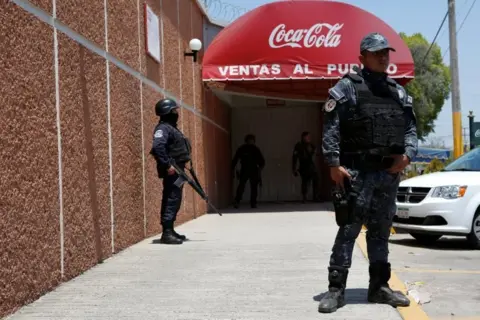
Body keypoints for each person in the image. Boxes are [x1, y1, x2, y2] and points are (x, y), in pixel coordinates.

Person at [317, 32, 418, 313]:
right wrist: (333, 163)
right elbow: (332, 126)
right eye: (377, 53)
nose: (383, 57)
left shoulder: (397, 91)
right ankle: (336, 290)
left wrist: (408, 155)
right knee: (348, 230)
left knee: (380, 232)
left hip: (387, 175)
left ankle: (379, 287)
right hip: (356, 174)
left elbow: (410, 129)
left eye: (386, 52)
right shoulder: (347, 88)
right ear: (362, 58)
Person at [150, 98, 192, 245]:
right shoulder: (162, 129)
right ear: (167, 112)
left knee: (175, 198)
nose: (176, 113)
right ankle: (166, 233)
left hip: (178, 170)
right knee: (171, 198)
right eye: (173, 110)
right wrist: (168, 166)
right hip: (172, 171)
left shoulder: (171, 127)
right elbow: (158, 147)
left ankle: (171, 229)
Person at [232, 134, 265, 208]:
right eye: (249, 140)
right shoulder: (242, 149)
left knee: (254, 188)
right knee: (241, 186)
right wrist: (233, 169)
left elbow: (262, 161)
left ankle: (253, 203)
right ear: (246, 140)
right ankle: (237, 201)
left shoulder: (256, 149)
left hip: (254, 170)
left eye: (252, 140)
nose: (251, 141)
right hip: (244, 170)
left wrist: (260, 169)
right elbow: (235, 159)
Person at [292, 131, 320, 203]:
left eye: (309, 137)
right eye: (307, 137)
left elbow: (315, 152)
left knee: (316, 180)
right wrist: (294, 169)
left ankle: (315, 197)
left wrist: (314, 151)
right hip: (303, 166)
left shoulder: (311, 145)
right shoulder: (299, 145)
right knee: (305, 182)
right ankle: (304, 197)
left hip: (311, 166)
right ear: (303, 137)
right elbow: (295, 158)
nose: (309, 138)